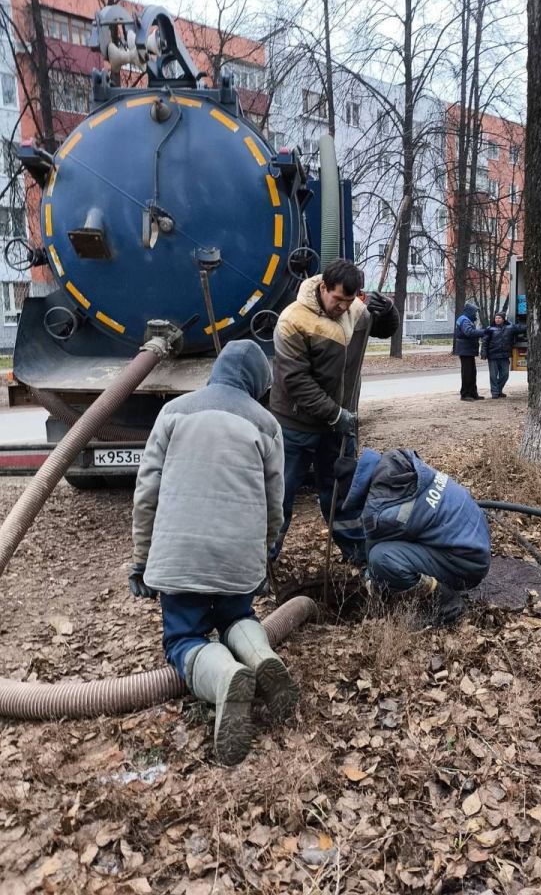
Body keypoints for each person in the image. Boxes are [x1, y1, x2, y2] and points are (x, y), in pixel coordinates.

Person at [129, 340, 298, 766]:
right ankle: (261, 658)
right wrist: (262, 555)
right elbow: (275, 503)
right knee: (238, 616)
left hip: (179, 555)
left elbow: (146, 493)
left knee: (184, 638)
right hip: (238, 557)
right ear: (259, 383)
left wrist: (141, 558)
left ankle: (224, 678)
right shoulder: (267, 425)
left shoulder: (174, 412)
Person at [269, 258, 399, 560]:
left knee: (343, 495)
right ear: (323, 287)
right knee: (280, 496)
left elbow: (382, 329)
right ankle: (265, 560)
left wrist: (388, 311)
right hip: (294, 426)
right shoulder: (292, 320)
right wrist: (336, 414)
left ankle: (357, 554)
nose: (342, 307)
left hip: (338, 429)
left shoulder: (354, 311)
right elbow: (295, 381)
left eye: (349, 301)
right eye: (337, 299)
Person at [333, 447, 492, 625]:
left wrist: (371, 579)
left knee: (381, 559)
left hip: (469, 565)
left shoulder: (383, 513)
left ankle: (448, 605)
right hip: (477, 539)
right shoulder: (398, 466)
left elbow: (374, 552)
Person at [483, 311, 527, 399]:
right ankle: (495, 393)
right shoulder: (490, 329)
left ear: (503, 319)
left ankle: (499, 390)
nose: (497, 320)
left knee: (505, 374)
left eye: (499, 318)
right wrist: (483, 352)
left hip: (504, 356)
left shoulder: (510, 327)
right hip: (493, 355)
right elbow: (485, 342)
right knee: (493, 375)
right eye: (496, 318)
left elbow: (521, 328)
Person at [453, 302, 486, 400]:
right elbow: (469, 332)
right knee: (467, 373)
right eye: (474, 312)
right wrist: (484, 332)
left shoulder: (466, 319)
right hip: (465, 350)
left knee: (472, 372)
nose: (475, 314)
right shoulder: (464, 320)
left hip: (468, 350)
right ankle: (465, 394)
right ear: (470, 312)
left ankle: (473, 393)